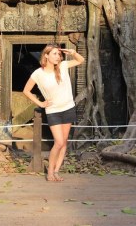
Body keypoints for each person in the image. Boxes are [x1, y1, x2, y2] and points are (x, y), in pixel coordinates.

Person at [22, 44, 84, 182]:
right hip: (53, 111)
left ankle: (56, 171)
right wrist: (40, 103)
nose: (58, 57)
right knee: (59, 141)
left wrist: (73, 52)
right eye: (54, 54)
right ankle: (50, 172)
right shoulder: (38, 73)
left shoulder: (62, 66)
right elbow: (26, 90)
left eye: (59, 54)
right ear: (46, 55)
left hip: (68, 108)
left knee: (64, 142)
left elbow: (81, 60)